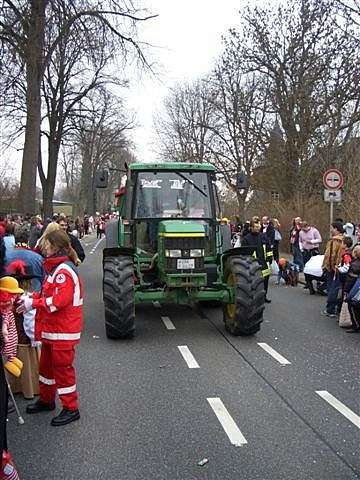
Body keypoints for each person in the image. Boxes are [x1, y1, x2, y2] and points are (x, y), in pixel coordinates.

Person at [17, 230, 83, 426]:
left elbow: (59, 301)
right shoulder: (55, 269)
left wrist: (34, 304)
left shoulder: (63, 271)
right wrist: (31, 298)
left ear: (55, 247)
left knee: (63, 370)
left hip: (63, 330)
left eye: (46, 244)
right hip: (53, 329)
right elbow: (47, 294)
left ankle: (71, 408)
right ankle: (46, 400)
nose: (43, 247)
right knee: (45, 368)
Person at [242, 218, 273, 303]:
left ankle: (264, 297)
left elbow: (268, 247)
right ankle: (254, 298)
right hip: (253, 264)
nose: (257, 228)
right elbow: (244, 253)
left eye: (258, 226)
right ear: (251, 227)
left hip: (264, 263)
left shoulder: (263, 236)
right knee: (253, 283)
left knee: (265, 282)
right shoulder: (246, 239)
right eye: (255, 226)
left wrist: (270, 258)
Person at [321, 221, 344, 317]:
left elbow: (331, 255)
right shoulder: (343, 240)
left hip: (332, 269)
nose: (330, 230)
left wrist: (327, 267)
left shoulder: (335, 241)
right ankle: (334, 308)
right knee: (335, 289)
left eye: (332, 228)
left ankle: (330, 309)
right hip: (338, 268)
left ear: (336, 229)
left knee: (332, 289)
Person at [343, 245, 360, 333]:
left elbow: (350, 280)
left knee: (352, 306)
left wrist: (346, 291)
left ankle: (355, 325)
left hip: (354, 289)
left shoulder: (354, 265)